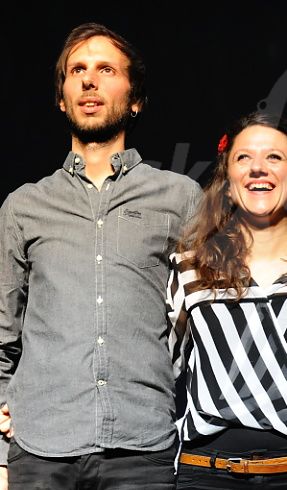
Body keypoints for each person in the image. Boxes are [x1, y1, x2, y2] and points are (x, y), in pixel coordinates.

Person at [0, 23, 202, 489]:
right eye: (78, 71)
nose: (89, 81)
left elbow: (205, 325)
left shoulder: (180, 197)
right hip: (40, 449)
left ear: (136, 100)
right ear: (62, 97)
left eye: (106, 69)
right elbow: (3, 332)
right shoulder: (24, 206)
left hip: (143, 445)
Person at [167, 112, 287, 490]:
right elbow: (160, 373)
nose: (258, 168)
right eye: (243, 158)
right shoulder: (190, 268)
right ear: (226, 179)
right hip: (207, 475)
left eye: (274, 157)